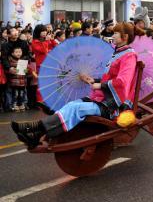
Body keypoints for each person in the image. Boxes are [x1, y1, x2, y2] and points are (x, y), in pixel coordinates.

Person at [11, 22, 141, 149]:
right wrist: (92, 80)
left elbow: (123, 82)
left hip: (113, 105)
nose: (113, 35)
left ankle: (32, 128)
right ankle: (35, 134)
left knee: (76, 108)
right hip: (103, 98)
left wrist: (99, 86)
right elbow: (108, 77)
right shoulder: (118, 53)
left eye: (116, 33)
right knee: (71, 105)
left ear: (125, 37)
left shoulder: (129, 56)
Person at [7, 46, 34, 111]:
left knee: (22, 94)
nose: (18, 53)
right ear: (12, 53)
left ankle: (22, 105)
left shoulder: (23, 60)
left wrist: (26, 70)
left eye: (20, 52)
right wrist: (12, 70)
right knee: (15, 94)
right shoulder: (10, 61)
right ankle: (14, 105)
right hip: (14, 82)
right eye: (16, 52)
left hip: (22, 82)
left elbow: (28, 71)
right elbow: (8, 71)